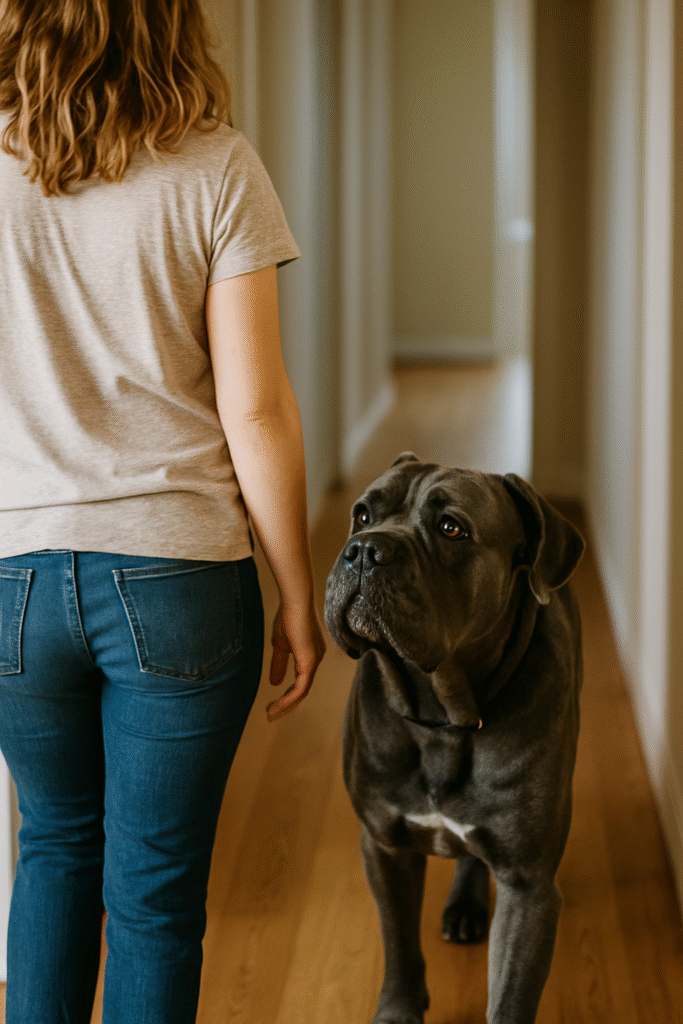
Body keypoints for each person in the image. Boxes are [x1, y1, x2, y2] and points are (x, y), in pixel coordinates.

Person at [0, 0, 326, 1021]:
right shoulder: (217, 167)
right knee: (153, 895)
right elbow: (255, 409)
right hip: (178, 580)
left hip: (12, 578)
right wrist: (296, 592)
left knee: (52, 845)